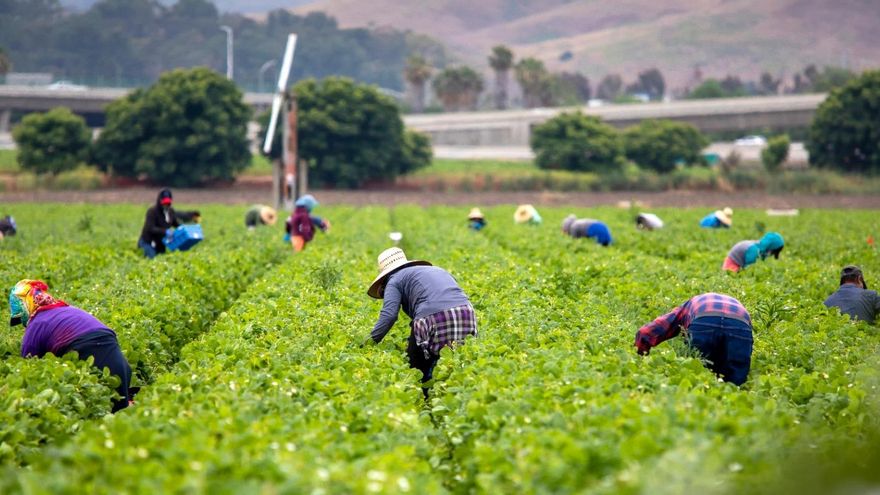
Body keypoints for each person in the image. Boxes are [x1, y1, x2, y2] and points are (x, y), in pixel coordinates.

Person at [364, 247, 477, 396]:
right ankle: (461, 395)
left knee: (417, 365)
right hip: (466, 312)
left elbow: (389, 315)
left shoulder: (394, 280)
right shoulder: (435, 270)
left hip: (432, 317)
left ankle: (425, 398)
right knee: (460, 359)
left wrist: (370, 341)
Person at [8, 280, 134, 412]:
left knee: (96, 411)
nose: (22, 322)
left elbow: (27, 368)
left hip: (85, 348)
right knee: (120, 406)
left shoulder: (36, 324)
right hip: (112, 348)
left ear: (25, 304)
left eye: (20, 316)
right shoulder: (66, 308)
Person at [635, 292, 753, 385]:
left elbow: (656, 328)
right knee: (736, 380)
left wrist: (640, 355)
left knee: (696, 371)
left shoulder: (687, 307)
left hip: (704, 319)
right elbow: (745, 343)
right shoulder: (738, 306)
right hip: (740, 324)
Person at [138, 189, 200, 259]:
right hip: (148, 242)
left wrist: (185, 229)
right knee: (152, 257)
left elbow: (175, 223)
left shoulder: (170, 211)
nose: (166, 205)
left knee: (162, 259)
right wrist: (165, 231)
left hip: (160, 243)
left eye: (168, 203)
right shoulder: (152, 211)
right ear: (160, 202)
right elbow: (150, 228)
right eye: (164, 203)